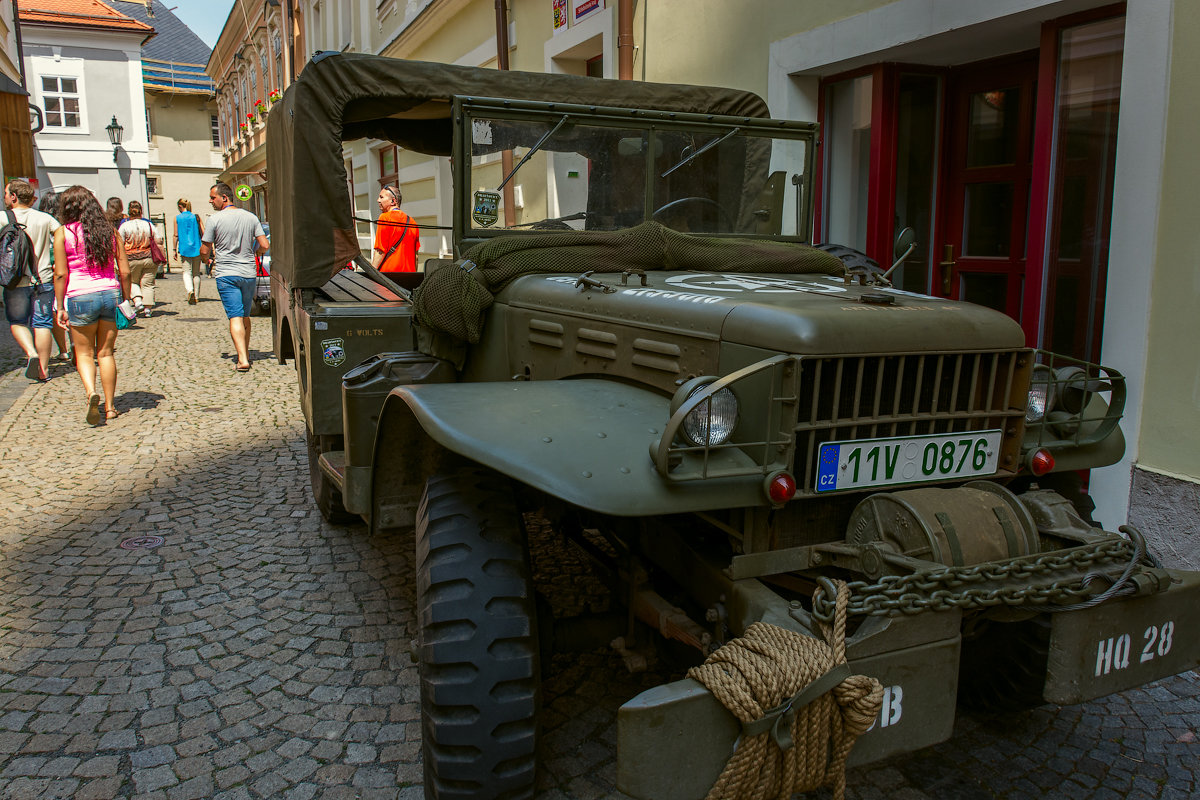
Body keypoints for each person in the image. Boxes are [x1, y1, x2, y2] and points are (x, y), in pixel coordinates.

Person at [53, 185, 131, 425]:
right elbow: (125, 271)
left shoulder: (62, 233)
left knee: (84, 354)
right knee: (106, 353)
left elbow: (60, 274)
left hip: (80, 297)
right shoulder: (110, 231)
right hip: (109, 294)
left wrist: (60, 306)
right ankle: (110, 407)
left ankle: (90, 393)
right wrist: (126, 299)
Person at [200, 182, 268, 372]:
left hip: (226, 274)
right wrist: (254, 250)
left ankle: (243, 359)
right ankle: (243, 351)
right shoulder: (251, 217)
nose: (210, 201)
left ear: (225, 197)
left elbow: (205, 249)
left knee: (235, 316)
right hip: (248, 273)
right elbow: (264, 245)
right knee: (245, 315)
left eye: (213, 197)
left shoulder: (214, 220)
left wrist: (207, 258)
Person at [3, 180, 61, 381]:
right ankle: (43, 371)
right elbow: (61, 237)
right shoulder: (46, 218)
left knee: (18, 322)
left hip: (16, 280)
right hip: (43, 279)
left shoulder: (3, 217)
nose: (4, 197)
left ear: (13, 197)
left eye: (6, 193)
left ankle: (31, 353)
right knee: (43, 324)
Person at [37, 191, 72, 364]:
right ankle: (75, 344)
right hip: (67, 271)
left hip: (46, 273)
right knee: (70, 308)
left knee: (54, 311)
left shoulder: (39, 223)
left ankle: (63, 350)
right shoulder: (64, 226)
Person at [370, 184, 420, 273]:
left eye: (381, 197)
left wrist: (371, 273)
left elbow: (380, 251)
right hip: (409, 275)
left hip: (389, 276)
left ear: (393, 201)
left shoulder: (384, 218)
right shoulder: (412, 221)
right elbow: (416, 256)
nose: (378, 200)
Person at [119, 200, 156, 317]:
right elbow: (159, 239)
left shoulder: (124, 226)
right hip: (148, 257)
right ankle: (148, 309)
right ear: (141, 211)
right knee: (148, 284)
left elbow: (119, 242)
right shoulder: (148, 224)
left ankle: (138, 300)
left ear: (129, 212)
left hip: (131, 258)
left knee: (132, 281)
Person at [173, 198, 204, 304]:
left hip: (184, 248)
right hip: (197, 247)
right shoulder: (196, 217)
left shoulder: (177, 218)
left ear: (180, 207)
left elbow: (176, 235)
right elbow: (203, 232)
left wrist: (174, 249)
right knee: (196, 273)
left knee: (186, 271)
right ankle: (196, 296)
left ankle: (190, 290)